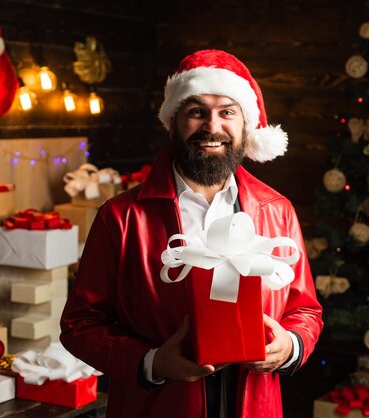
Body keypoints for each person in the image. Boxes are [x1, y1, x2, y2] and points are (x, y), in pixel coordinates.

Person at [60, 49, 323, 418]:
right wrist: (151, 362)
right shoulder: (121, 217)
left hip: (254, 405)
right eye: (197, 111)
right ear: (173, 123)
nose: (212, 127)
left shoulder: (276, 210)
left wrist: (291, 345)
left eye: (227, 112)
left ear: (245, 125)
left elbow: (305, 309)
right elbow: (79, 326)